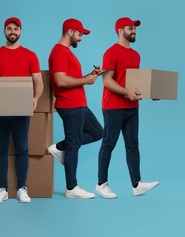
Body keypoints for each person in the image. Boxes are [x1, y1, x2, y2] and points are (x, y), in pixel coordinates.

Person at [0, 17, 43, 203]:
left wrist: (35, 98)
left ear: (21, 31)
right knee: (0, 148)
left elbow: (38, 81)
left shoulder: (30, 55)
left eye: (16, 28)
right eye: (9, 28)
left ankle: (22, 188)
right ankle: (3, 189)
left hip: (22, 108)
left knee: (22, 148)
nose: (12, 31)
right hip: (0, 108)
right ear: (4, 31)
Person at [96, 17, 159, 199]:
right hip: (113, 107)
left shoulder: (136, 55)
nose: (134, 31)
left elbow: (135, 83)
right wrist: (126, 92)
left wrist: (150, 92)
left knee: (133, 145)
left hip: (132, 106)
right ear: (119, 30)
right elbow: (107, 81)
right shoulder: (111, 52)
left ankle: (137, 184)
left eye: (135, 29)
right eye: (130, 28)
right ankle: (101, 184)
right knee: (109, 143)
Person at [48, 18, 104, 199]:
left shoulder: (66, 52)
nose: (81, 38)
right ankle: (71, 188)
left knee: (97, 132)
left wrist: (89, 75)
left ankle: (59, 147)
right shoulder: (59, 52)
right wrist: (85, 81)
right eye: (80, 34)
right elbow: (60, 80)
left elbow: (69, 78)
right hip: (70, 105)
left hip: (79, 104)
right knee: (74, 144)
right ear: (70, 32)